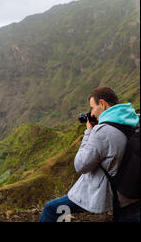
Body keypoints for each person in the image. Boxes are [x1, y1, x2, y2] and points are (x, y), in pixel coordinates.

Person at [39, 87, 140, 222]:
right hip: (133, 190)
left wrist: (89, 132)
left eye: (92, 107)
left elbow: (81, 165)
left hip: (109, 193)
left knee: (51, 209)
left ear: (102, 103)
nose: (92, 113)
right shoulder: (135, 120)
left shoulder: (102, 132)